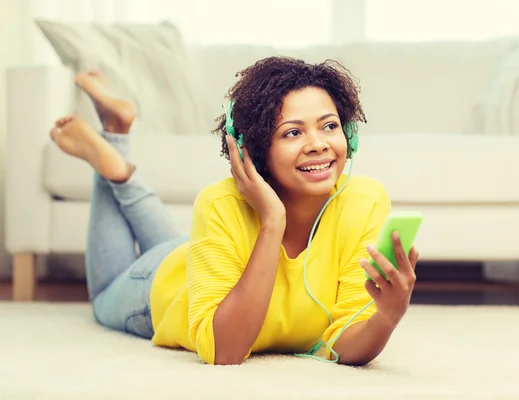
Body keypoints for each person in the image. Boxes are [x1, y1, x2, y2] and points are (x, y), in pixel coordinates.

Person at [49, 56, 419, 366]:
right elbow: (225, 351)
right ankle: (114, 157)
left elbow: (344, 342)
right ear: (252, 148)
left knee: (183, 242)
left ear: (349, 134)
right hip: (161, 283)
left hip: (200, 251)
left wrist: (386, 317)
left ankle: (117, 144)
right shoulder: (220, 203)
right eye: (293, 133)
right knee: (101, 299)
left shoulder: (365, 200)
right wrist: (273, 221)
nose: (318, 144)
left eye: (330, 126)